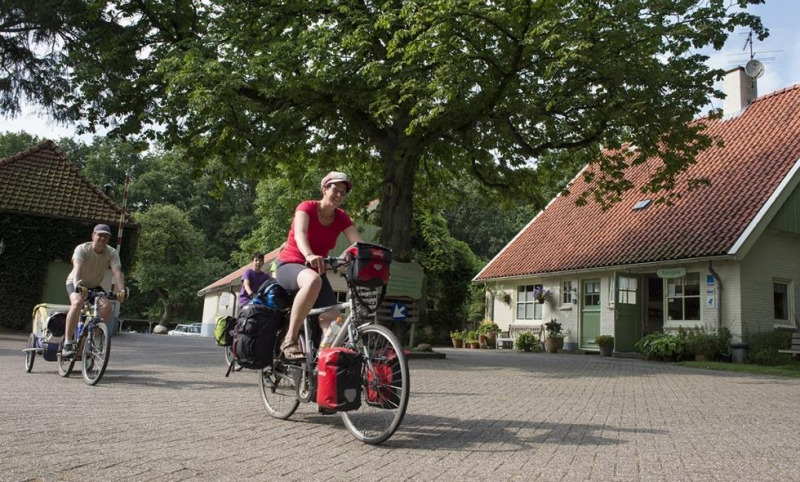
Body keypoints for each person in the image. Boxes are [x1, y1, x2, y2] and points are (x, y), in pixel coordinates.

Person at [275, 171, 363, 360]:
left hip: (316, 272)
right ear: (324, 189)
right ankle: (289, 339)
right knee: (313, 280)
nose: (339, 195)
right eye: (335, 190)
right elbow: (300, 233)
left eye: (343, 192)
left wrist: (370, 257)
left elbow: (358, 244)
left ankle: (321, 363)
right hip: (291, 265)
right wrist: (309, 254)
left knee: (334, 321)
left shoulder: (341, 217)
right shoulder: (306, 207)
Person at [63, 224, 126, 357]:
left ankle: (92, 334)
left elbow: (117, 271)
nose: (103, 239)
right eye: (100, 235)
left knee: (107, 307)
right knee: (77, 303)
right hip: (75, 282)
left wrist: (122, 290)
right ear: (93, 235)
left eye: (106, 237)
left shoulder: (112, 252)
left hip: (94, 286)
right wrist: (78, 285)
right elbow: (77, 267)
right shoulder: (82, 249)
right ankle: (68, 342)